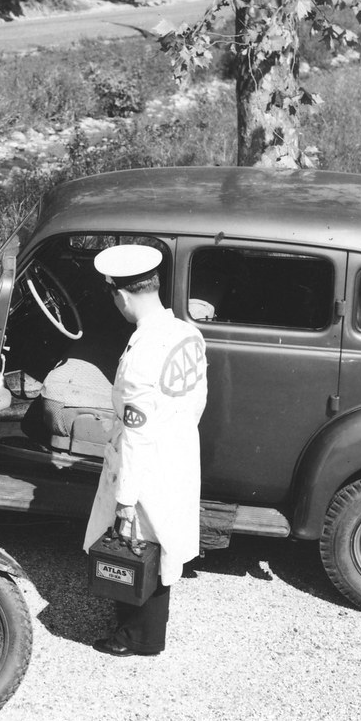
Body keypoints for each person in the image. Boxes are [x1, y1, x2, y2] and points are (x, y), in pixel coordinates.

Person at [83, 243, 208, 657]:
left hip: (146, 461)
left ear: (121, 295)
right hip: (177, 451)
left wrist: (125, 498)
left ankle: (137, 638)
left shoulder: (141, 355)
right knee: (163, 543)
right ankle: (146, 633)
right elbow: (196, 401)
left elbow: (136, 434)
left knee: (138, 542)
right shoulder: (187, 333)